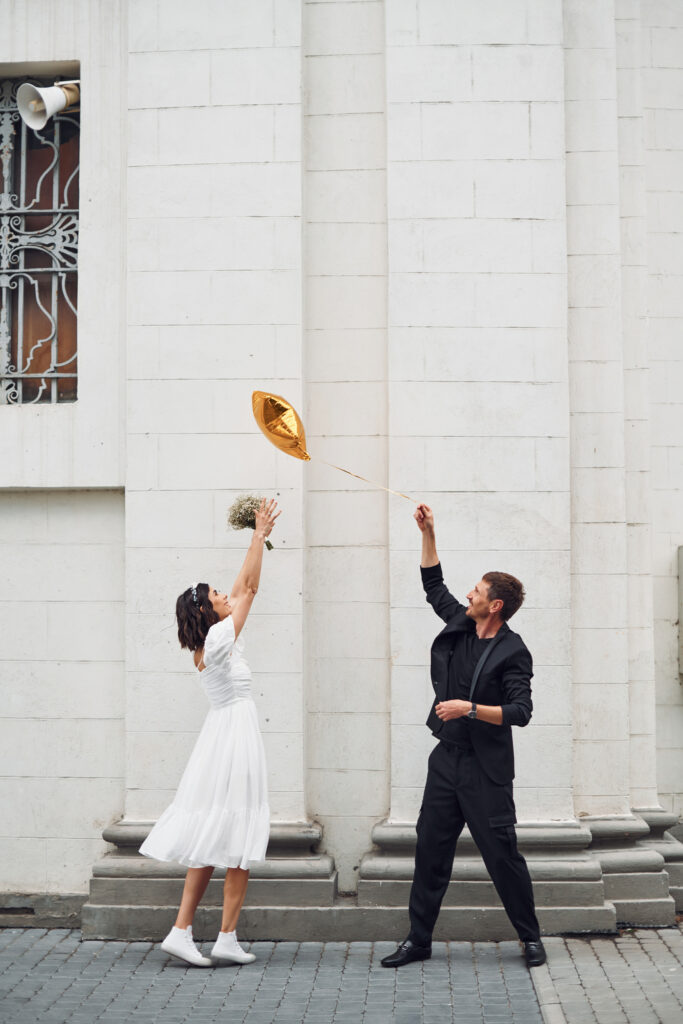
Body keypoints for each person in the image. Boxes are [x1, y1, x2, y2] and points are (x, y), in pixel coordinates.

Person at [381, 503, 546, 970]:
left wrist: (469, 708)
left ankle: (530, 938)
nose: (467, 594)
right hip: (446, 761)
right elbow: (434, 585)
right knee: (430, 848)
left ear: (495, 605)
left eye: (476, 591)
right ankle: (419, 940)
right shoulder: (460, 623)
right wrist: (428, 533)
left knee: (502, 855)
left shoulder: (514, 652)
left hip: (486, 771)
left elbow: (521, 711)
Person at [140, 498, 280, 968]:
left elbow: (242, 584)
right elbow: (252, 587)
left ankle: (192, 932)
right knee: (234, 837)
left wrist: (255, 536)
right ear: (208, 609)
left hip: (224, 736)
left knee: (214, 836)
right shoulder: (219, 639)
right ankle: (220, 936)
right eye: (217, 594)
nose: (227, 593)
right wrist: (259, 535)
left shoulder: (210, 641)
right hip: (232, 738)